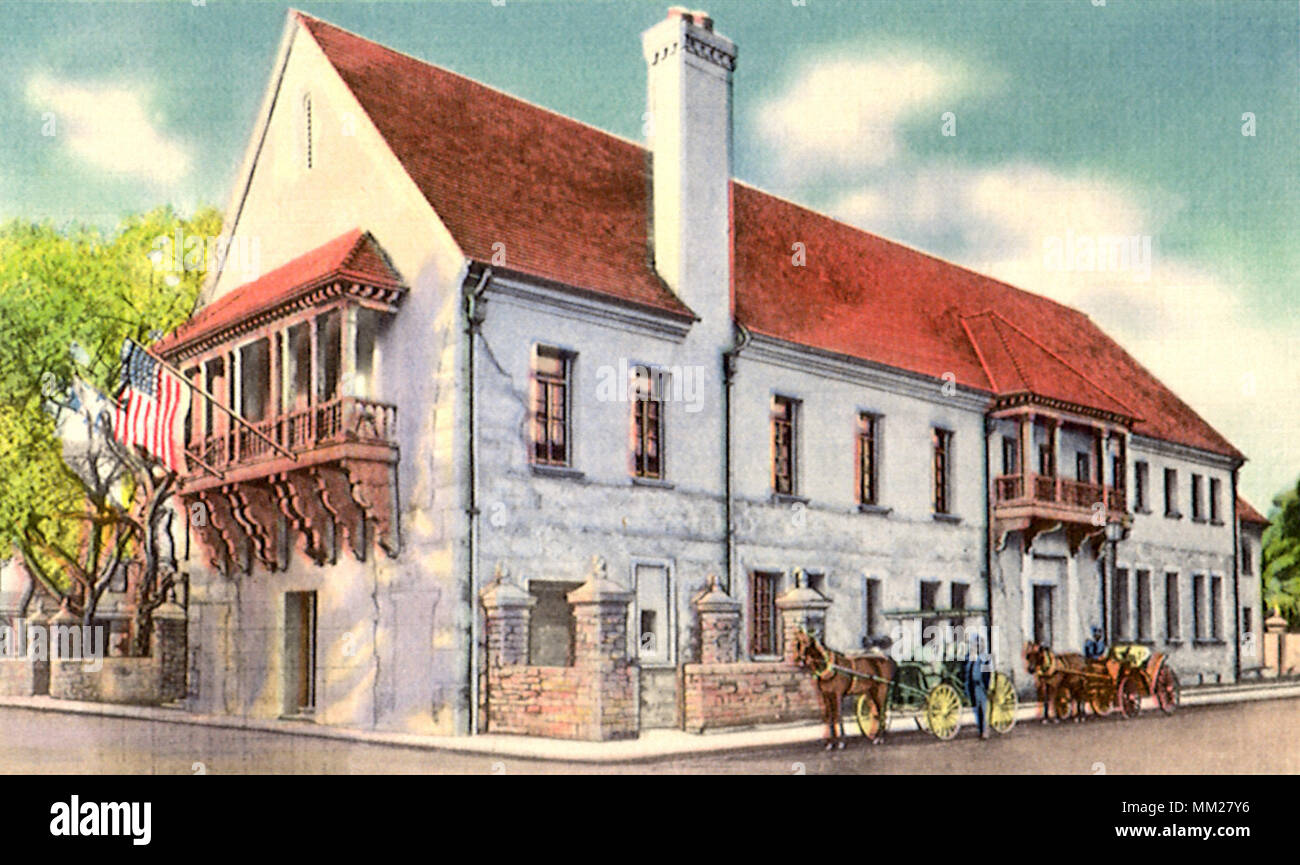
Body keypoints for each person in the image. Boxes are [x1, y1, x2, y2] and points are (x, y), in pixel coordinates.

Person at [963, 632, 993, 739]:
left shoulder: (985, 657)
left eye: (975, 644)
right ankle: (980, 729)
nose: (973, 646)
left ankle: (985, 730)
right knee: (976, 708)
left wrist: (986, 686)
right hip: (971, 685)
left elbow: (987, 674)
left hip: (980, 685)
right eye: (972, 644)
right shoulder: (969, 657)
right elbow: (966, 671)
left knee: (983, 708)